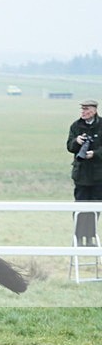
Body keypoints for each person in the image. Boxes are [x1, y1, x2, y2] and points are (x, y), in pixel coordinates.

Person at [67, 99, 102, 246]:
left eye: (86, 109)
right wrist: (77, 141)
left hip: (98, 175)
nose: (83, 112)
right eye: (82, 109)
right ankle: (79, 237)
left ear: (94, 111)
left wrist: (95, 153)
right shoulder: (76, 126)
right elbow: (69, 146)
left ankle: (90, 237)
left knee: (95, 208)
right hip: (81, 175)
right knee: (80, 207)